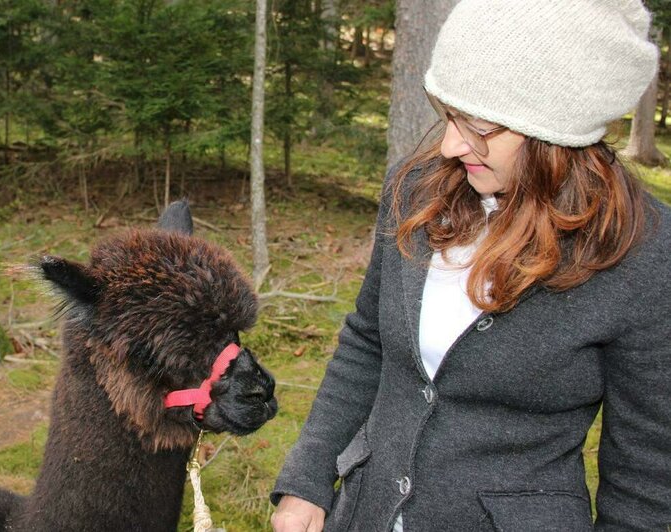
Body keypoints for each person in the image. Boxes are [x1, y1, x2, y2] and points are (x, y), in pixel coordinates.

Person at [269, 0, 671, 530]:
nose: (453, 144)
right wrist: (308, 479)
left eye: (479, 125)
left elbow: (647, 474)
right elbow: (368, 339)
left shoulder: (641, 252)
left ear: (558, 127)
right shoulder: (416, 189)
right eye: (449, 116)